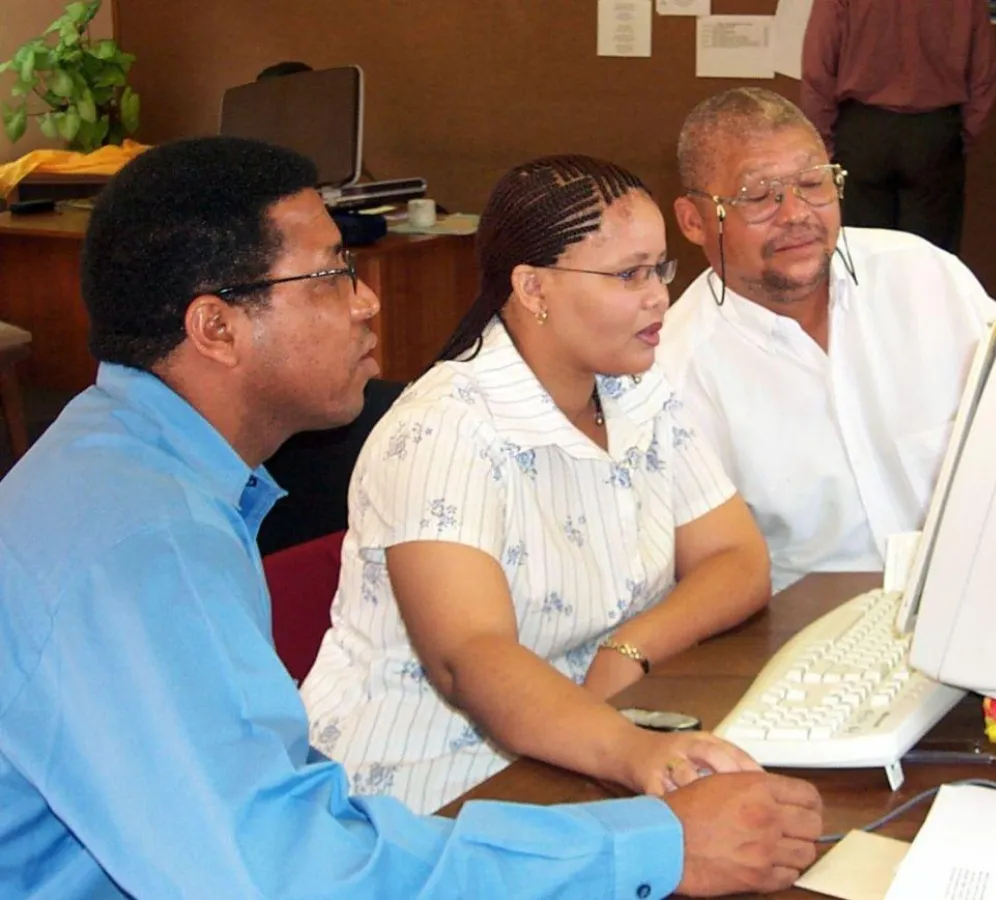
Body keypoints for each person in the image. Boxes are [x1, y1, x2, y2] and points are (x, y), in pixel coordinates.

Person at [0, 135, 823, 898]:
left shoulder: (128, 469)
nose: (365, 303)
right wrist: (654, 847)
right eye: (330, 274)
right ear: (215, 326)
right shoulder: (141, 544)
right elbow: (280, 873)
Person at [302, 154, 772, 815]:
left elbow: (739, 559)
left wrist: (629, 650)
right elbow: (471, 658)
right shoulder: (445, 429)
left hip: (579, 744)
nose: (659, 295)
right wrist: (634, 751)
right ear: (532, 289)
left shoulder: (635, 387)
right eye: (628, 274)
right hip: (418, 788)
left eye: (660, 268)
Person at [657, 87, 996, 594]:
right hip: (805, 630)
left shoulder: (924, 276)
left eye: (813, 182)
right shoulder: (677, 368)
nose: (796, 212)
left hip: (979, 593)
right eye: (758, 195)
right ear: (694, 221)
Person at [800, 0, 996, 254]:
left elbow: (818, 70)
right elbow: (985, 73)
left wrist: (823, 144)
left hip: (862, 132)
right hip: (934, 133)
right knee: (931, 259)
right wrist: (963, 134)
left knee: (864, 259)